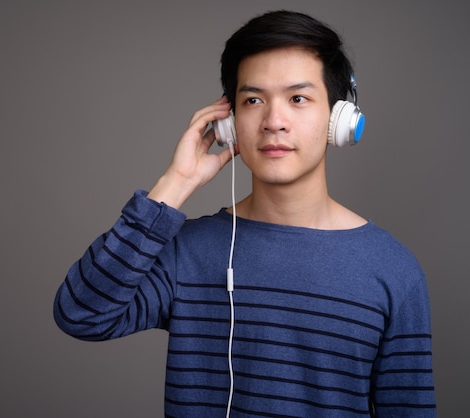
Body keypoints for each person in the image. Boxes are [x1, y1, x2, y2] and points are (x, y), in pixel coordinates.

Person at [54, 10, 436, 417]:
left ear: (340, 119)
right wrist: (176, 182)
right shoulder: (190, 253)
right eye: (253, 100)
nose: (273, 122)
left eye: (298, 99)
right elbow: (82, 315)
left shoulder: (394, 270)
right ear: (230, 123)